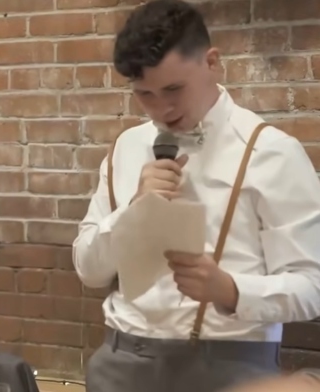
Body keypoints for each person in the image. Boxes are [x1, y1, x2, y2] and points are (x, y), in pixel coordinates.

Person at [72, 1, 320, 391]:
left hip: (229, 366)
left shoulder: (271, 152)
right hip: (120, 361)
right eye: (145, 94)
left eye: (174, 88)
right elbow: (88, 269)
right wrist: (132, 213)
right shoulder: (125, 148)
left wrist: (231, 290)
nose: (162, 109)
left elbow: (312, 285)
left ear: (212, 62)